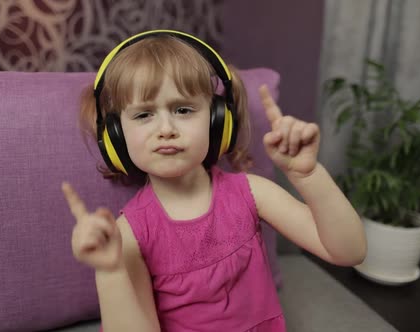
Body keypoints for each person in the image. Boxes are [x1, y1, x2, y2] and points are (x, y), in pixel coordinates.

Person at [61, 30, 366, 332]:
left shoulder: (251, 193)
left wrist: (308, 175)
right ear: (115, 137)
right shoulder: (129, 235)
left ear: (218, 120)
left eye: (183, 110)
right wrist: (111, 272)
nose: (166, 128)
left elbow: (349, 251)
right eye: (143, 115)